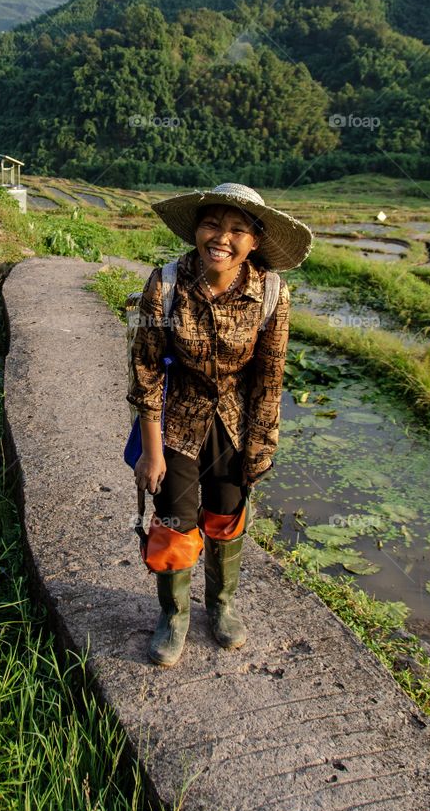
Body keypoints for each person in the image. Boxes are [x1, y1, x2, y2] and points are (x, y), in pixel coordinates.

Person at [127, 182, 313, 667]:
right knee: (174, 521)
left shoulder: (270, 292)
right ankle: (174, 615)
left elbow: (269, 379)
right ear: (196, 229)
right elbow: (146, 372)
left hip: (234, 424)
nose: (221, 238)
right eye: (212, 224)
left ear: (254, 241)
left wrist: (260, 448)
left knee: (227, 518)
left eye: (236, 230)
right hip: (176, 423)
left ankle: (221, 605)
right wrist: (151, 452)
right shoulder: (166, 284)